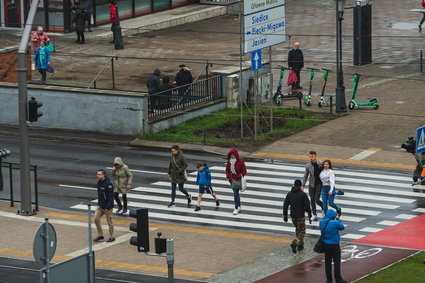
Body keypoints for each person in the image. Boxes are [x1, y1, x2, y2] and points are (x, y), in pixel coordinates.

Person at [283, 179, 312, 253]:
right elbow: (308, 205)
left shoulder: (289, 194)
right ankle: (295, 243)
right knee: (302, 231)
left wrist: (285, 216)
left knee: (298, 230)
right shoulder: (303, 194)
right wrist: (309, 213)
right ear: (300, 186)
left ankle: (300, 246)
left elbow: (285, 205)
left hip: (293, 216)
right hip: (300, 216)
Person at [320, 209, 346, 283]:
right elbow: (342, 227)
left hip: (325, 244)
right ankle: (338, 279)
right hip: (334, 245)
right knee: (336, 262)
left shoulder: (321, 222)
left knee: (327, 262)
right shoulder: (335, 222)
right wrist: (338, 219)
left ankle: (329, 279)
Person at [94, 169, 115, 242]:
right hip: (100, 206)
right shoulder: (99, 182)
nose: (97, 176)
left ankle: (112, 237)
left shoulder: (108, 184)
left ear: (104, 175)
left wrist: (108, 207)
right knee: (96, 219)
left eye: (99, 174)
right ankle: (100, 235)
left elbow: (111, 197)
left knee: (109, 222)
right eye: (97, 174)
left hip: (107, 207)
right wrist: (99, 203)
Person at [302, 151, 323, 221]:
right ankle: (314, 214)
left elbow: (326, 171)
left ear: (316, 156)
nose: (311, 158)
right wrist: (303, 185)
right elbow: (305, 175)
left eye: (312, 156)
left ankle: (323, 207)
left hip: (319, 184)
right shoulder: (308, 165)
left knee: (316, 199)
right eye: (310, 156)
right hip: (311, 184)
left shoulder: (321, 163)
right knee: (312, 200)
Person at [225, 148, 247, 215]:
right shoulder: (229, 162)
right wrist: (228, 177)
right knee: (235, 193)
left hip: (239, 179)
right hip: (232, 180)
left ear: (236, 155)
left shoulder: (241, 161)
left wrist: (239, 176)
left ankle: (237, 207)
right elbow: (227, 171)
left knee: (236, 194)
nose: (232, 156)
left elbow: (244, 171)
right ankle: (237, 207)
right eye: (231, 155)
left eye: (233, 155)